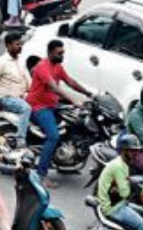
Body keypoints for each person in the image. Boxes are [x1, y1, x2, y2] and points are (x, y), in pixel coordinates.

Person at [26, 38, 93, 185]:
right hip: (39, 107)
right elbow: (54, 87)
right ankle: (41, 175)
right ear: (50, 53)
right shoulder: (42, 67)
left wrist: (88, 94)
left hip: (52, 104)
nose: (62, 56)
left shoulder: (57, 66)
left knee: (75, 123)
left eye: (63, 53)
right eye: (59, 53)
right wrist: (73, 100)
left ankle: (67, 162)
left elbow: (70, 81)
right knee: (53, 136)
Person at [0, 31, 31, 149]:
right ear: (8, 45)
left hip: (20, 96)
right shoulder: (1, 62)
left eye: (21, 44)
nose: (20, 47)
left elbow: (27, 78)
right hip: (6, 97)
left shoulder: (21, 60)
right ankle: (20, 139)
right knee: (26, 108)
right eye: (17, 44)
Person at [97, 134, 143, 230]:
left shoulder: (123, 163)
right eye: (132, 151)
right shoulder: (118, 166)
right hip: (113, 208)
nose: (135, 154)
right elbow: (125, 193)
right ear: (123, 151)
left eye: (137, 151)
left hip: (119, 203)